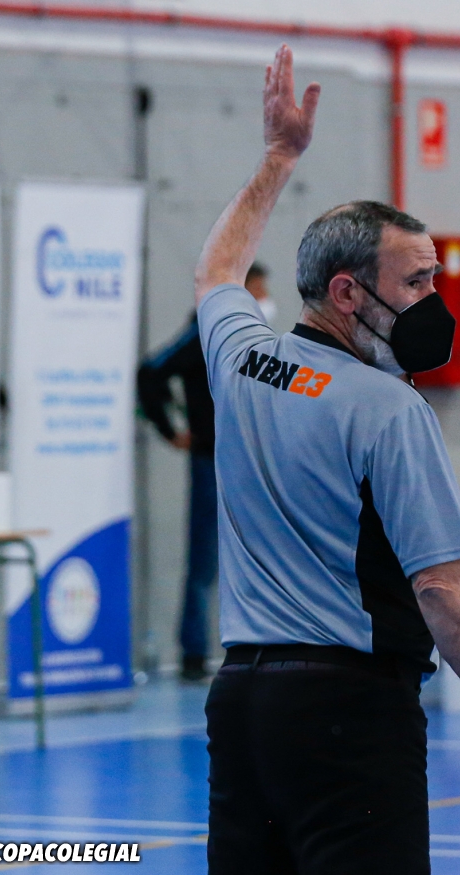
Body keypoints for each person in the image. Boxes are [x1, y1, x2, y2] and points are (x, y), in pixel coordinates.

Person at [195, 46, 460, 873]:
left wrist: (278, 157)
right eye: (416, 282)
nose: (434, 300)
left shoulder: (240, 360)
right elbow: (444, 586)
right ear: (347, 292)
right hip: (348, 711)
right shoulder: (389, 409)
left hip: (240, 704)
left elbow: (215, 271)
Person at [138, 262, 275, 681]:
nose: (265, 298)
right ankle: (194, 652)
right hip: (211, 459)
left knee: (254, 553)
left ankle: (253, 645)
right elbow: (151, 373)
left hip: (247, 457)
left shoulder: (253, 337)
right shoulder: (204, 332)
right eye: (259, 289)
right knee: (204, 559)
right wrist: (171, 430)